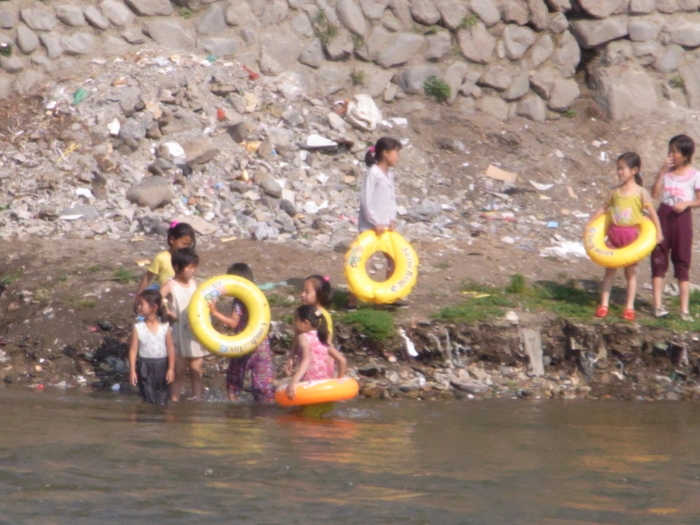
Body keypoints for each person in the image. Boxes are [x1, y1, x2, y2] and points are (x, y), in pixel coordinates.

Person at [589, 152, 663, 321]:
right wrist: (589, 225)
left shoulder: (641, 192)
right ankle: (604, 304)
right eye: (618, 168)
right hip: (614, 234)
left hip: (631, 238)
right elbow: (603, 209)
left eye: (622, 168)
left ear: (634, 170)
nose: (619, 172)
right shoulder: (614, 191)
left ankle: (629, 307)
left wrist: (659, 232)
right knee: (609, 272)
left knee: (630, 274)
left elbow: (652, 213)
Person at [348, 136, 404, 310]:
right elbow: (366, 200)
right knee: (361, 262)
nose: (398, 157)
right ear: (385, 153)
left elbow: (391, 199)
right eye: (396, 153)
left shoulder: (389, 174)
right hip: (370, 226)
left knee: (392, 259)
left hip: (386, 225)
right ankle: (352, 301)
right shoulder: (373, 173)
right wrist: (375, 221)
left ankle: (390, 295)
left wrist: (392, 218)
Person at [208, 263, 275, 403]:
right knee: (263, 386)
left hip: (243, 346)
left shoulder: (239, 300)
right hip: (262, 345)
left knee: (234, 380)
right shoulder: (259, 295)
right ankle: (264, 415)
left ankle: (233, 410)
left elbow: (234, 323)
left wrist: (215, 313)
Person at [651, 134, 700, 320]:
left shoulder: (695, 175)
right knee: (658, 256)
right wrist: (661, 173)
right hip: (663, 216)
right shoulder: (667, 173)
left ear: (686, 155)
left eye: (675, 152)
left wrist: (686, 203)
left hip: (682, 220)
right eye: (670, 151)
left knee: (682, 259)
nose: (671, 155)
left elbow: (699, 200)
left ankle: (684, 310)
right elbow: (655, 195)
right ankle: (657, 306)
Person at [160, 248, 208, 401]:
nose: (192, 271)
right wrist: (166, 309)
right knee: (178, 370)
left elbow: (206, 297)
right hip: (178, 333)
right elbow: (156, 298)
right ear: (177, 267)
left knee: (196, 369)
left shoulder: (196, 284)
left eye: (194, 267)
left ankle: (197, 398)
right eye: (189, 267)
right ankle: (174, 399)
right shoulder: (171, 285)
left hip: (195, 333)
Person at [285, 305, 347, 400]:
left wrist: (294, 382)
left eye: (296, 320)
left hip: (310, 389)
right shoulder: (323, 338)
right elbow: (342, 361)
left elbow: (306, 360)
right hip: (325, 389)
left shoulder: (304, 337)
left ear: (305, 322)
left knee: (305, 414)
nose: (294, 324)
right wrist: (339, 382)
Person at [133, 221, 196, 312]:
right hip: (166, 300)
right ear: (172, 240)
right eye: (183, 244)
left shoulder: (188, 260)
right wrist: (138, 297)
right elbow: (148, 277)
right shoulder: (162, 258)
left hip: (183, 298)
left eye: (189, 245)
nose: (186, 248)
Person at [128, 289, 176, 405]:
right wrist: (132, 371)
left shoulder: (165, 326)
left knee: (163, 399)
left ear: (154, 307)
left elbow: (170, 349)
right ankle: (147, 421)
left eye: (142, 304)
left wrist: (171, 369)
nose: (138, 307)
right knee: (148, 399)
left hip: (162, 366)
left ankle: (161, 420)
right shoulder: (138, 327)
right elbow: (133, 351)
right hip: (145, 366)